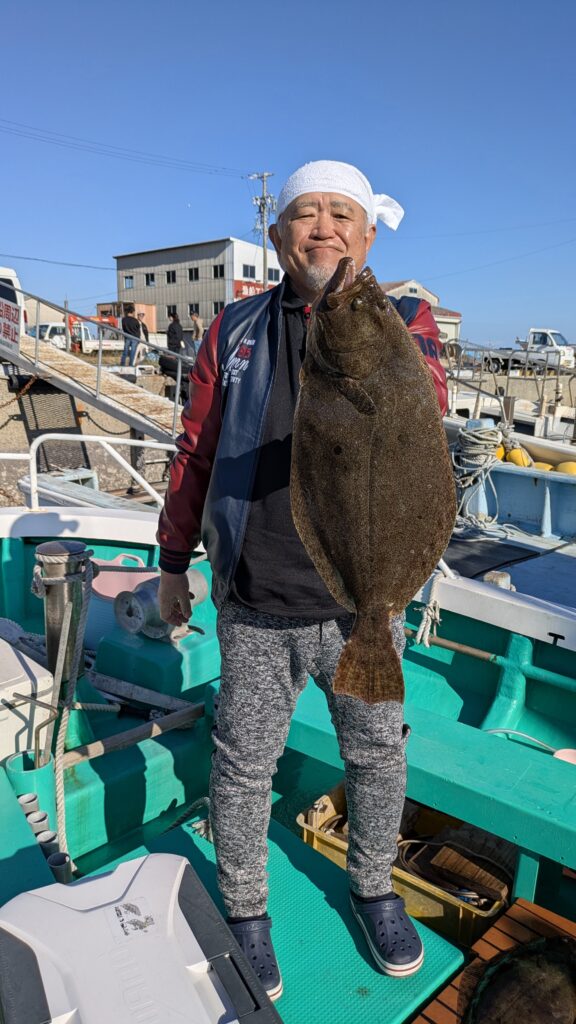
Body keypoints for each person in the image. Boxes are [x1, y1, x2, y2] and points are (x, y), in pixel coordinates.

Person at [157, 160, 448, 1000]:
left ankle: (375, 887)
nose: (323, 228)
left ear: (368, 235)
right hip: (257, 596)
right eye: (305, 214)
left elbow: (426, 405)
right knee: (245, 764)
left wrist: (361, 314)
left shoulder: (405, 322)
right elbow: (195, 452)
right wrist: (173, 562)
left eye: (341, 215)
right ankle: (246, 912)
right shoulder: (234, 330)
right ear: (278, 233)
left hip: (366, 605)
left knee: (377, 758)